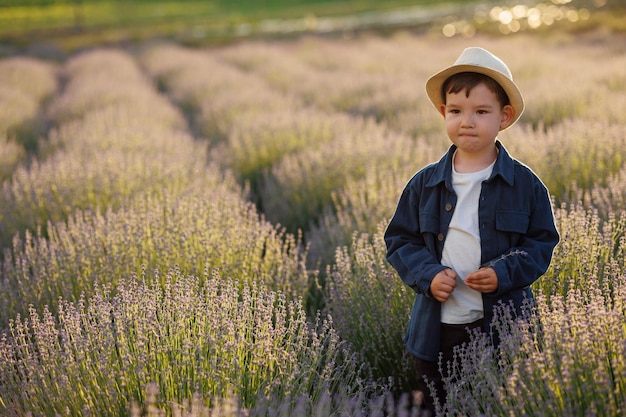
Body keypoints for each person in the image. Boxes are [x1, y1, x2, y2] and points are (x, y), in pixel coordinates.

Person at [384, 47, 559, 414]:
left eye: (481, 112)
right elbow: (400, 240)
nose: (467, 121)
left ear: (504, 117)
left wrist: (502, 273)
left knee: (501, 404)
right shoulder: (424, 184)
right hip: (437, 331)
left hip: (503, 330)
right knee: (438, 405)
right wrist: (428, 275)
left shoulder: (525, 185)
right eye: (456, 111)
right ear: (442, 113)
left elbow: (541, 243)